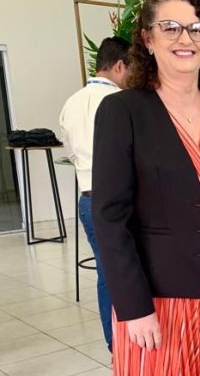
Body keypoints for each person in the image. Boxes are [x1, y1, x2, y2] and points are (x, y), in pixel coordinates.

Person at [92, 0, 200, 375]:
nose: (186, 39)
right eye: (171, 28)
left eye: (196, 28)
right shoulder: (123, 110)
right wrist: (134, 307)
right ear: (148, 39)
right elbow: (110, 219)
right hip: (161, 291)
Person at [59, 36, 130, 352]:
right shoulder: (121, 103)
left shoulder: (71, 103)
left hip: (88, 199)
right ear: (119, 66)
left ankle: (115, 347)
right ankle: (135, 347)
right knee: (132, 271)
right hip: (121, 199)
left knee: (107, 272)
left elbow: (70, 152)